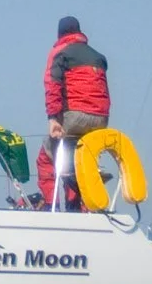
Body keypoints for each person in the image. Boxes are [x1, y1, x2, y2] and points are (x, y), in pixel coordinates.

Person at [38, 15, 112, 210]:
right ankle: (81, 209)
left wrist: (53, 118)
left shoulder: (60, 52)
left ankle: (48, 208)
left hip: (75, 116)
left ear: (59, 33)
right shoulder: (98, 56)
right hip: (101, 119)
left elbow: (52, 84)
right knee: (78, 161)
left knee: (46, 158)